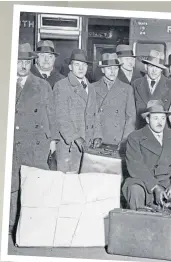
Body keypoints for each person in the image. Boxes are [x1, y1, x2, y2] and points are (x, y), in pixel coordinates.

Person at [122, 100, 171, 216]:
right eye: (155, 118)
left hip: (169, 180)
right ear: (147, 119)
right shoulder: (135, 137)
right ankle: (139, 226)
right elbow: (136, 166)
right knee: (134, 189)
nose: (160, 122)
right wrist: (155, 187)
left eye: (163, 118)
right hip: (146, 182)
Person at [11, 44, 56, 234]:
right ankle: (11, 223)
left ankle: (32, 226)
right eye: (19, 61)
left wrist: (52, 140)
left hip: (36, 142)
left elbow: (51, 114)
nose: (23, 66)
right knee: (12, 184)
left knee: (34, 184)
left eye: (27, 62)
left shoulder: (42, 85)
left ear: (32, 62)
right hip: (12, 141)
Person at [54, 49, 103, 173]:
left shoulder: (91, 88)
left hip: (88, 144)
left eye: (84, 65)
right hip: (69, 146)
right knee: (68, 184)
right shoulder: (62, 86)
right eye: (77, 64)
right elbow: (61, 116)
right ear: (70, 66)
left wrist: (97, 135)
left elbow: (95, 114)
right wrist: (76, 137)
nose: (81, 68)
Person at [92, 53, 136, 148]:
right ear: (103, 70)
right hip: (99, 140)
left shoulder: (127, 89)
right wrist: (97, 136)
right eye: (109, 68)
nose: (112, 72)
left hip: (118, 140)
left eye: (115, 68)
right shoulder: (93, 88)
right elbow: (92, 115)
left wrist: (125, 140)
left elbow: (131, 118)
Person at [132, 50, 171, 129]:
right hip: (141, 132)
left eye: (158, 67)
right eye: (151, 66)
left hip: (162, 132)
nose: (154, 70)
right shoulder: (135, 84)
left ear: (162, 69)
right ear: (146, 67)